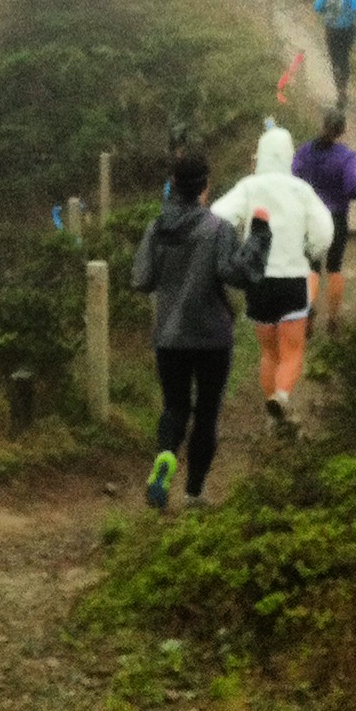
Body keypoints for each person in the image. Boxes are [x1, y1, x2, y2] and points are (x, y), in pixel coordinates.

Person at [131, 151, 270, 510]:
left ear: (173, 185)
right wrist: (259, 235)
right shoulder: (217, 229)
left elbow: (142, 280)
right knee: (207, 413)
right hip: (211, 337)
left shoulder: (157, 228)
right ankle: (194, 493)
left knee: (175, 406)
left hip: (169, 336)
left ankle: (165, 455)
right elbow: (238, 275)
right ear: (205, 187)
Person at [210, 124, 333, 427]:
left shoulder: (249, 187)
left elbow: (218, 213)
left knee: (269, 352)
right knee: (292, 351)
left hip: (258, 280)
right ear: (289, 156)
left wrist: (237, 247)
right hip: (292, 279)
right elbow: (324, 230)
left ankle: (272, 417)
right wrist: (309, 250)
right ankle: (282, 396)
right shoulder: (301, 190)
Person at [292, 108, 356, 335]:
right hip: (336, 217)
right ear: (342, 131)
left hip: (310, 217)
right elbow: (351, 187)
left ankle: (307, 313)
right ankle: (333, 319)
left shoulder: (305, 151)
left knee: (312, 267)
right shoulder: (346, 157)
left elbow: (294, 176)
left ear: (322, 125)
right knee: (335, 267)